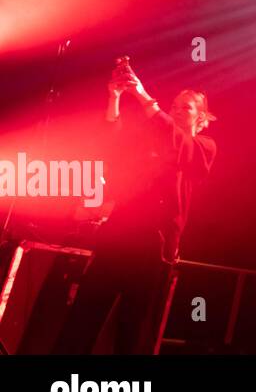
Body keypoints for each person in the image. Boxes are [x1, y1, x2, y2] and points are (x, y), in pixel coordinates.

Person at [54, 62, 218, 354]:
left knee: (133, 332)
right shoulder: (152, 137)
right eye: (175, 105)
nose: (178, 110)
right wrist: (115, 97)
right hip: (119, 235)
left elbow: (181, 146)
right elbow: (111, 142)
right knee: (82, 319)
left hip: (153, 249)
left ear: (201, 117)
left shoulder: (204, 146)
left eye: (187, 107)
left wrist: (143, 95)